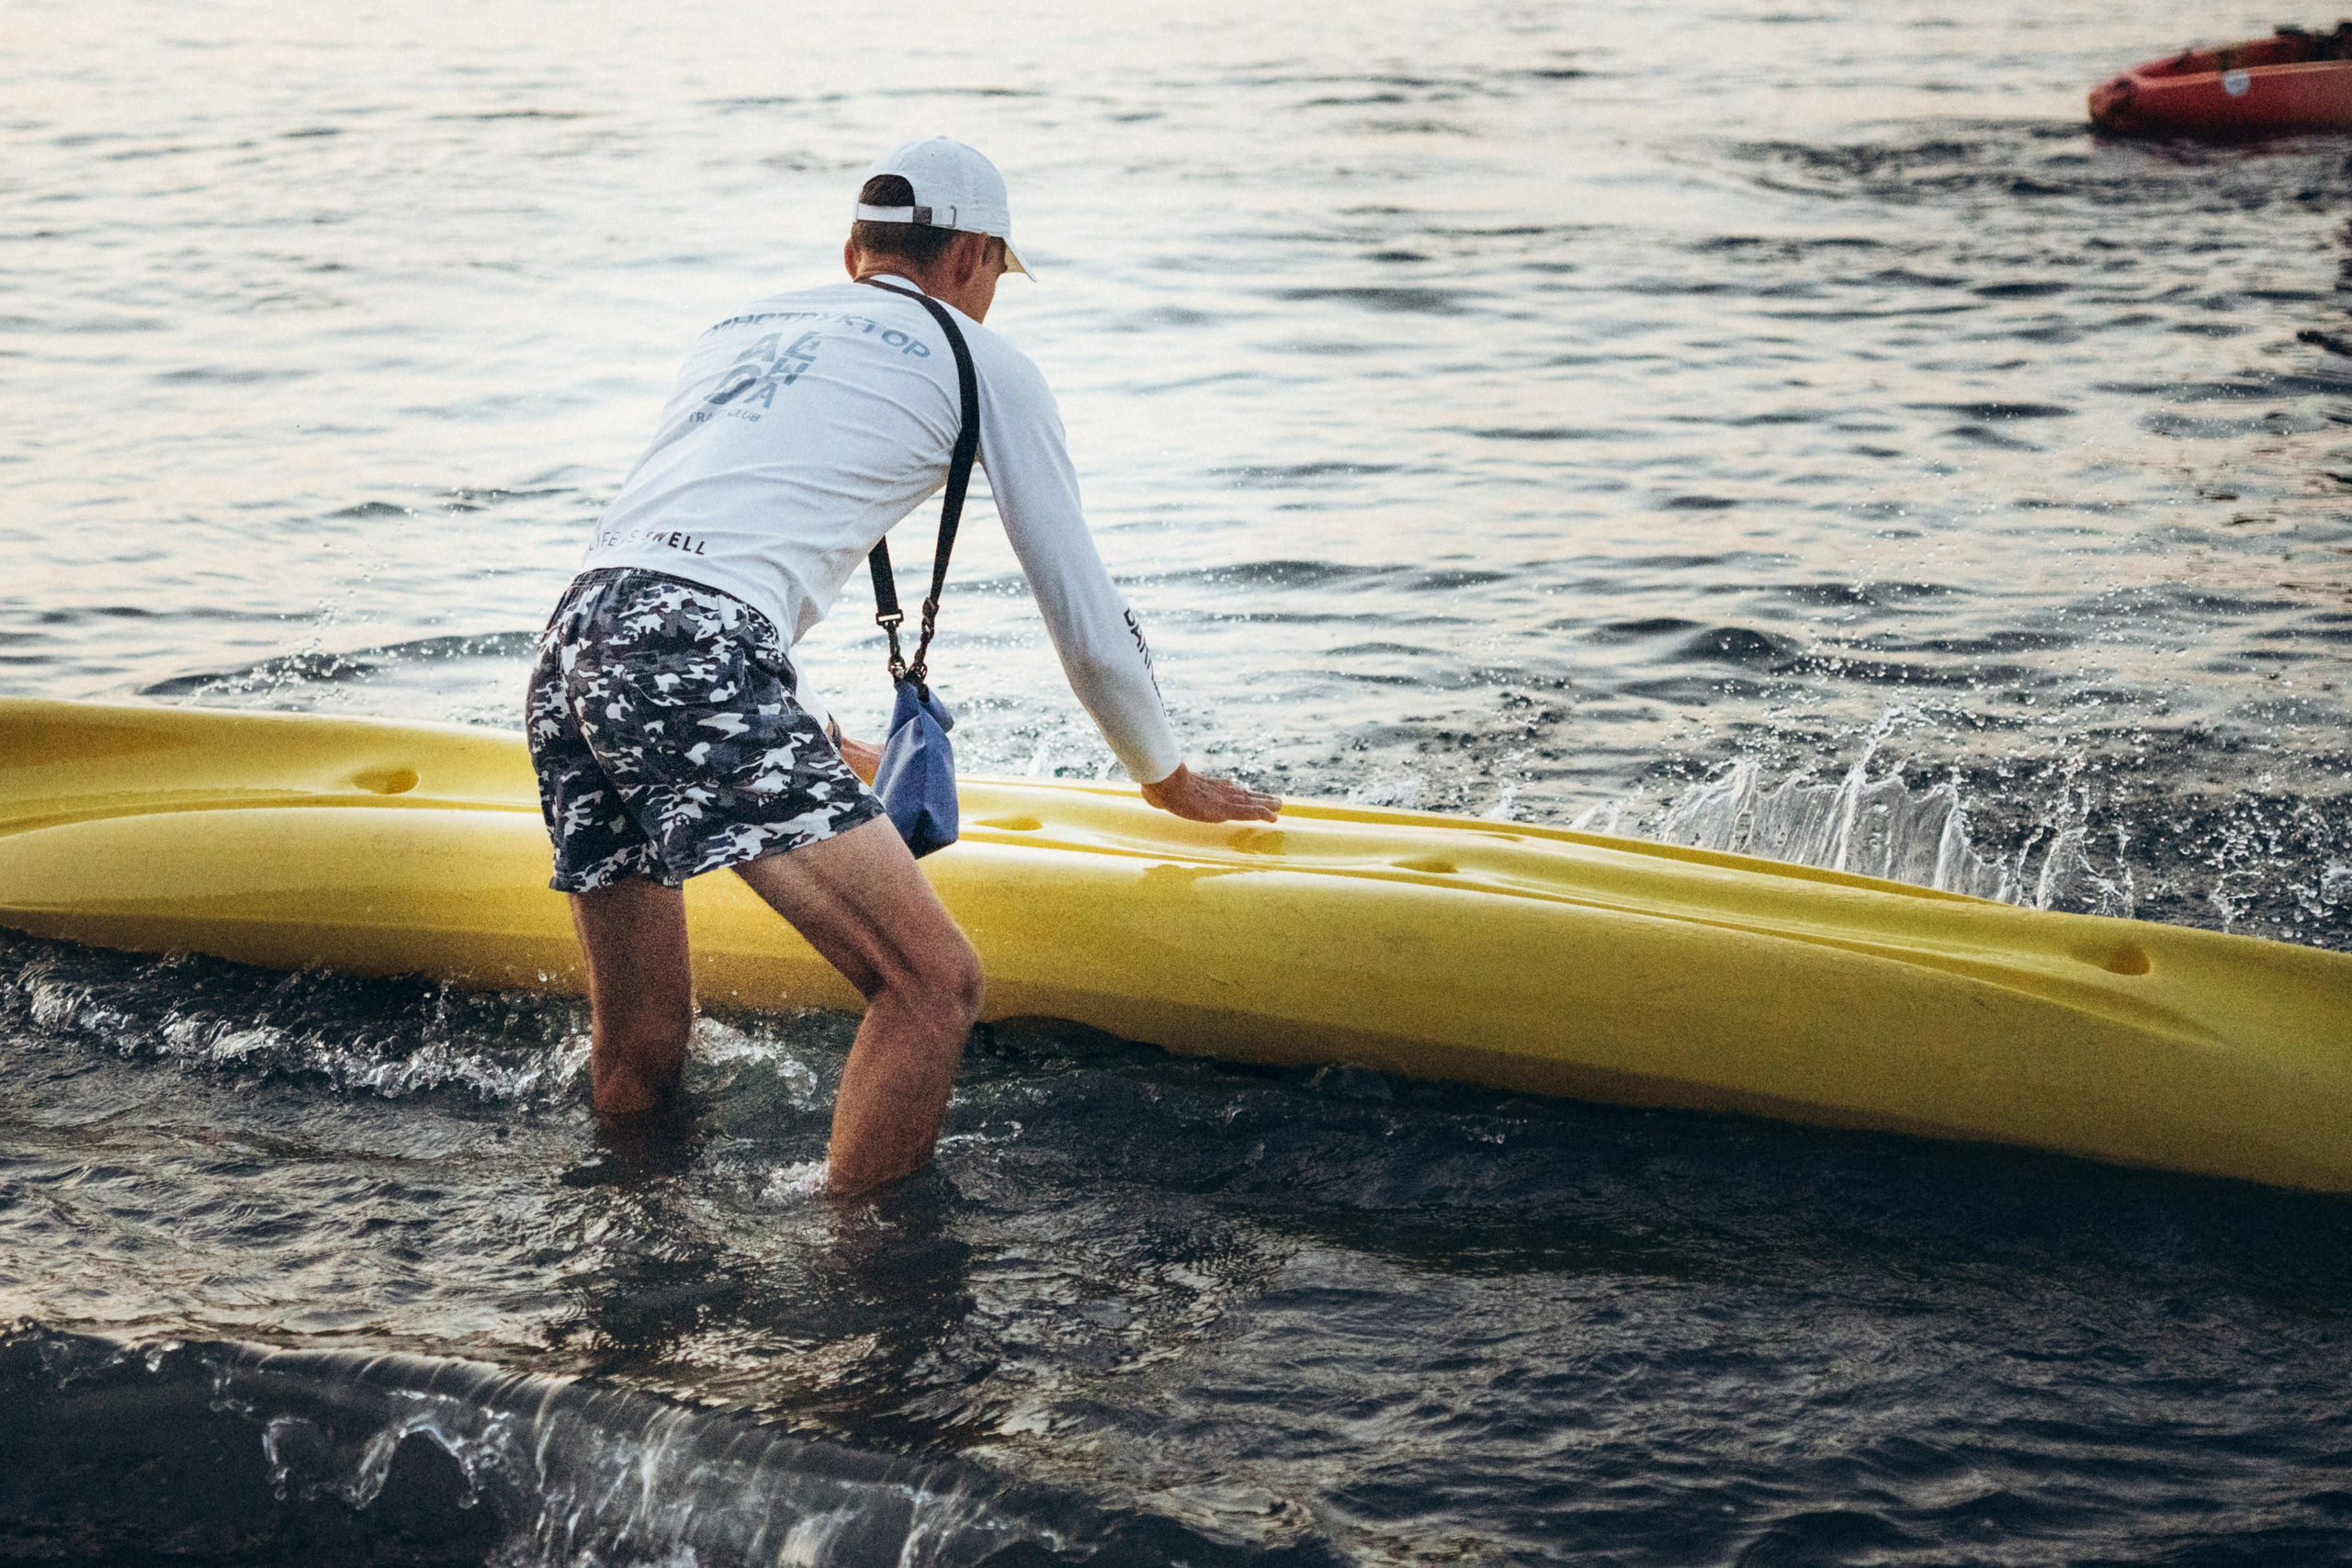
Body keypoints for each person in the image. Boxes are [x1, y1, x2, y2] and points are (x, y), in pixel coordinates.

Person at [526, 138, 1279, 1194]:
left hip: (575, 640)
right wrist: (1164, 775)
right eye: (996, 278)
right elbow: (1088, 616)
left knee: (642, 1042)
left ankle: (624, 1258)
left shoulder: (734, 328)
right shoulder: (983, 362)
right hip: (693, 654)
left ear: (853, 255)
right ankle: (873, 1293)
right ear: (974, 253)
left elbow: (693, 557)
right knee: (932, 985)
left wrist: (813, 733)